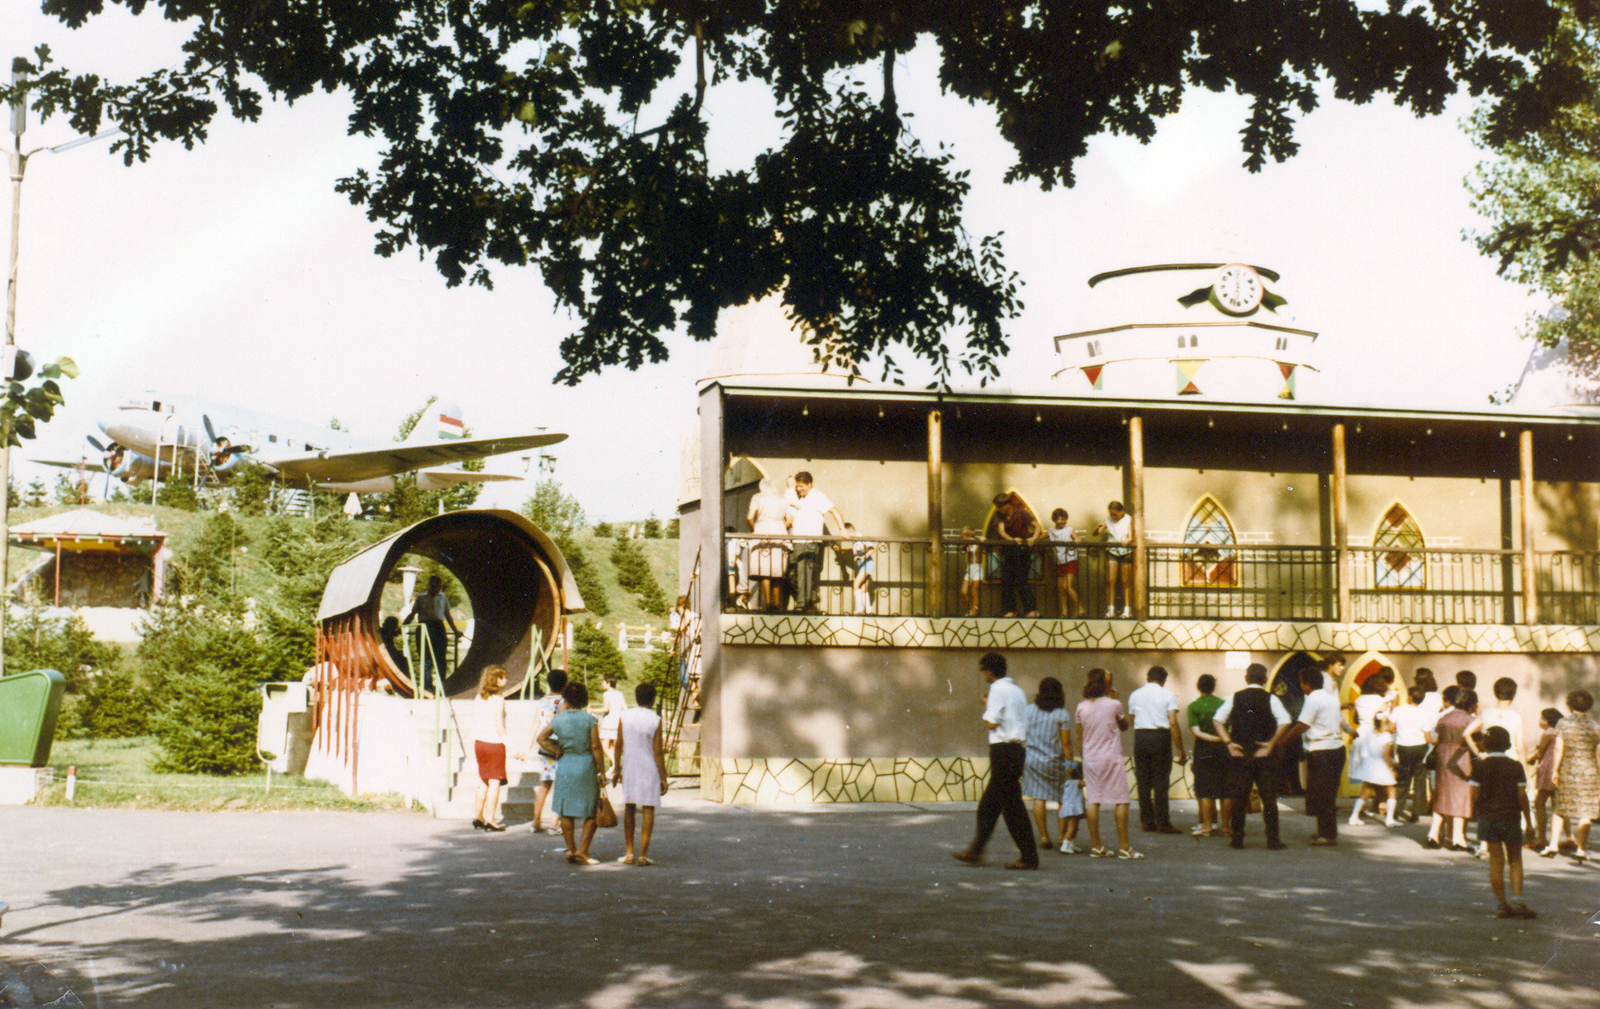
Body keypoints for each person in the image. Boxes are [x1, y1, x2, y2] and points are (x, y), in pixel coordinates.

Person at [952, 652, 1039, 869]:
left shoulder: (997, 689)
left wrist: (987, 705)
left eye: (983, 670)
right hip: (1016, 750)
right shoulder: (1017, 690)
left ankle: (1027, 856)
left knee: (1008, 807)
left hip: (1003, 751)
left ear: (989, 671)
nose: (982, 674)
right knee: (994, 806)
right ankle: (977, 850)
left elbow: (992, 723)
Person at [1214, 663, 1292, 850]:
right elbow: (1286, 721)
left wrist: (1228, 743)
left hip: (1240, 753)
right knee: (1269, 798)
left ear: (1246, 678)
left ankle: (1237, 839)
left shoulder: (1235, 697)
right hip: (1263, 753)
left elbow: (1217, 720)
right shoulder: (1271, 699)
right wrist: (1272, 743)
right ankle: (1273, 840)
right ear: (1265, 680)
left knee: (1239, 798)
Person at [1281, 659, 1352, 846]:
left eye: (1301, 682)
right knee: (1326, 794)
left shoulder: (1313, 699)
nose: (1301, 685)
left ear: (1306, 684)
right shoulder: (1330, 697)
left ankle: (1328, 835)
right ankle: (1325, 831)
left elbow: (1302, 725)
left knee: (1323, 795)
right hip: (1335, 749)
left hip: (1322, 751)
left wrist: (1282, 743)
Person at [537, 680, 608, 865]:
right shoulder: (590, 719)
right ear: (584, 699)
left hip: (566, 764)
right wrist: (602, 771)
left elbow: (541, 738)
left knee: (565, 810)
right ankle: (583, 850)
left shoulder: (558, 719)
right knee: (591, 810)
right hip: (585, 764)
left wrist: (555, 750)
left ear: (566, 699)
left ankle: (571, 849)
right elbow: (596, 747)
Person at [1471, 725, 1537, 919]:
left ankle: (1501, 904)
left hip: (1488, 817)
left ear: (1486, 744)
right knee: (1515, 859)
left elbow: (1474, 794)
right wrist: (1529, 822)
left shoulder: (1480, 766)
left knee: (1496, 859)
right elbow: (1522, 796)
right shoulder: (1515, 766)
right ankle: (1518, 900)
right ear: (1507, 744)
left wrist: (1480, 811)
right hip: (1511, 817)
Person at [1076, 667, 1141, 859]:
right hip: (1111, 757)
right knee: (1121, 799)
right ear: (1107, 684)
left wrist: (1084, 757)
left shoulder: (1081, 707)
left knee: (1093, 799)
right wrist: (1117, 701)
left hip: (1090, 758)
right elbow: (1124, 726)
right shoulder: (1114, 705)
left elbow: (1080, 738)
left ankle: (1096, 846)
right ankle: (1124, 846)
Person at [612, 683, 669, 865]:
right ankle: (643, 855)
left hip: (630, 765)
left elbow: (618, 744)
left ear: (636, 697)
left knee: (629, 807)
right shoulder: (655, 719)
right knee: (648, 808)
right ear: (653, 699)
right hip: (649, 767)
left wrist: (616, 768)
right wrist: (663, 776)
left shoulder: (625, 716)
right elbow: (658, 751)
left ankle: (629, 853)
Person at [1541, 689, 1600, 863]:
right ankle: (1581, 849)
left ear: (1569, 704)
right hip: (1589, 771)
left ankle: (1553, 844)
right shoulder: (1594, 726)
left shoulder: (1563, 724)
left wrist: (1555, 770)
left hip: (1568, 769)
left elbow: (1559, 748)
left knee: (1560, 808)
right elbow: (1598, 753)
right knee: (1586, 811)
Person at [1128, 666, 1186, 834]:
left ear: (1148, 677)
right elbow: (1173, 722)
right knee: (1161, 781)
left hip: (1141, 736)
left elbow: (1133, 719)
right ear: (1164, 680)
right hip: (1160, 737)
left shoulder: (1135, 695)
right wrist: (1180, 749)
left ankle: (1147, 821)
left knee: (1143, 781)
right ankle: (1162, 821)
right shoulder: (1168, 695)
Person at [1022, 676, 1074, 851]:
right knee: (1062, 798)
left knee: (1039, 798)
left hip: (1032, 760)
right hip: (1054, 761)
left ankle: (1044, 836)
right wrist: (1070, 763)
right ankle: (1061, 836)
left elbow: (1023, 734)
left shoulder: (1028, 710)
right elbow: (1066, 743)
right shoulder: (1062, 714)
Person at [1426, 688, 1477, 851]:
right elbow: (1476, 739)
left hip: (1442, 755)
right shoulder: (1469, 720)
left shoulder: (1444, 717)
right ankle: (1457, 837)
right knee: (1461, 795)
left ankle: (1433, 834)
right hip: (1461, 757)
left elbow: (1435, 738)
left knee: (1442, 794)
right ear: (1470, 704)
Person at [786, 471, 844, 614]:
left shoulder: (817, 496)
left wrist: (842, 529)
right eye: (797, 487)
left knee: (806, 572)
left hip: (810, 541)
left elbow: (834, 510)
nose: (798, 489)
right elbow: (791, 520)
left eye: (801, 486)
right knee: (796, 573)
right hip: (799, 541)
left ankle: (803, 605)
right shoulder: (801, 499)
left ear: (809, 484)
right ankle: (807, 603)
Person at [519, 668, 566, 835]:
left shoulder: (542, 701)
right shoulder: (564, 702)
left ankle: (536, 821)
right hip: (561, 745)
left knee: (545, 783)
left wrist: (526, 748)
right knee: (561, 784)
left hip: (546, 745)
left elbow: (534, 726)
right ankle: (554, 822)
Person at [1187, 673, 1228, 838]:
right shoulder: (1223, 704)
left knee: (1204, 788)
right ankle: (1226, 826)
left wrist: (1213, 738)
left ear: (1198, 687)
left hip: (1203, 749)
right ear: (1213, 687)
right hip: (1223, 748)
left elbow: (1196, 732)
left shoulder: (1194, 706)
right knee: (1225, 788)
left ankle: (1207, 825)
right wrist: (1222, 738)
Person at [471, 664, 510, 832]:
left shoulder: (479, 697)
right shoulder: (499, 699)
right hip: (494, 743)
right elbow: (499, 726)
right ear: (496, 680)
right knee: (495, 781)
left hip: (480, 743)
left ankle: (478, 816)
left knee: (483, 779)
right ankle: (490, 819)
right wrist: (512, 746)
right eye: (502, 677)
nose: (505, 680)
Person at [403, 575, 461, 686]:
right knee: (426, 657)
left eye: (439, 586)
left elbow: (447, 614)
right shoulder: (420, 597)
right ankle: (427, 684)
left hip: (438, 628)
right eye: (435, 586)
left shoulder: (442, 597)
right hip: (424, 627)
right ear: (429, 586)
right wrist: (403, 626)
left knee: (440, 656)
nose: (437, 589)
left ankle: (442, 683)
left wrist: (455, 630)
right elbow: (413, 614)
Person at [991, 492, 1041, 618]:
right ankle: (1009, 610)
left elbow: (1037, 526)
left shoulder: (1021, 513)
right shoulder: (1001, 515)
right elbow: (1001, 531)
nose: (998, 509)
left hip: (1022, 550)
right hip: (1009, 550)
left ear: (1007, 505)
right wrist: (1011, 540)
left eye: (1000, 506)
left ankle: (1032, 610)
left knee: (1021, 579)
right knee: (1007, 580)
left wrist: (1033, 539)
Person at [746, 477, 792, 612]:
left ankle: (768, 602)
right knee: (777, 568)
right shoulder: (783, 498)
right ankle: (777, 602)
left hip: (761, 530)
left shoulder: (757, 497)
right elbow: (789, 520)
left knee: (764, 568)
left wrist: (753, 529)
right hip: (779, 531)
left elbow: (749, 517)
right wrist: (780, 526)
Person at [1348, 712, 1400, 827]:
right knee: (1391, 790)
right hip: (1381, 765)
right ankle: (1389, 819)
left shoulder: (1369, 733)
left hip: (1370, 764)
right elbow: (1386, 755)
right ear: (1385, 724)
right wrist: (1391, 768)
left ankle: (1354, 816)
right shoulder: (1386, 736)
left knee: (1366, 791)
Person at [1391, 685, 1433, 824]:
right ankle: (1416, 812)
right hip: (1420, 747)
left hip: (1404, 747)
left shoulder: (1398, 710)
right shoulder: (1424, 713)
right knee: (1419, 780)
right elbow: (1428, 737)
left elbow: (1391, 728)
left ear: (1409, 697)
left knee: (1403, 779)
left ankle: (1397, 810)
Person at [1526, 708, 1562, 851]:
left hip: (1547, 769)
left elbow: (1540, 753)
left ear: (1547, 721)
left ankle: (1542, 837)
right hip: (1557, 769)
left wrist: (1530, 758)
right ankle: (1568, 836)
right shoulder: (1558, 732)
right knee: (1557, 804)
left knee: (1539, 802)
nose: (1539, 721)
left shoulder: (1547, 733)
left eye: (1542, 718)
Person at [1093, 501, 1134, 618]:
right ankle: (1110, 609)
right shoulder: (1108, 519)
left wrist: (1128, 540)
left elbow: (1131, 536)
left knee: (1125, 582)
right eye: (1111, 514)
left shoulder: (1127, 519)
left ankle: (1127, 610)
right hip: (1112, 551)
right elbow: (1095, 533)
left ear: (1122, 512)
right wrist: (1098, 527)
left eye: (1115, 514)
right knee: (1110, 581)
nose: (1113, 517)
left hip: (1125, 552)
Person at [1047, 508, 1081, 618]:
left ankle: (1080, 608)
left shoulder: (1069, 530)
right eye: (1060, 519)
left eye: (1064, 519)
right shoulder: (1051, 531)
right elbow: (1039, 538)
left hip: (1070, 559)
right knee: (1061, 589)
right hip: (1059, 561)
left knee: (1067, 586)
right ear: (1055, 520)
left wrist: (1076, 541)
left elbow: (1078, 539)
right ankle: (1064, 612)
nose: (1062, 522)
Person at [845, 522, 875, 615]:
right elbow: (857, 550)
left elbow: (872, 549)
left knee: (856, 585)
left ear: (852, 531)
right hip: (863, 565)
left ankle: (860, 609)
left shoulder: (860, 538)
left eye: (847, 534)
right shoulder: (855, 541)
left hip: (867, 564)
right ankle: (868, 610)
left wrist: (862, 557)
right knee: (863, 588)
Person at [599, 676, 627, 765]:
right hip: (617, 722)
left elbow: (606, 709)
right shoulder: (619, 693)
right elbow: (625, 708)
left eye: (603, 682)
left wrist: (592, 710)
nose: (602, 684)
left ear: (608, 683)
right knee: (613, 747)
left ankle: (616, 765)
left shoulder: (606, 694)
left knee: (605, 746)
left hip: (608, 722)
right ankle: (614, 769)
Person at [959, 527, 983, 617]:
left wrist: (982, 540)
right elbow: (962, 548)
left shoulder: (977, 544)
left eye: (962, 537)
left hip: (977, 568)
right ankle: (972, 608)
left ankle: (974, 611)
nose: (961, 539)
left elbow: (983, 543)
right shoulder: (966, 545)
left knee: (974, 590)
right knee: (963, 592)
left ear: (967, 536)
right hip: (969, 569)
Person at [725, 526, 750, 610]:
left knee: (730, 583)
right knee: (733, 582)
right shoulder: (736, 540)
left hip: (728, 563)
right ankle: (733, 601)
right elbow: (744, 543)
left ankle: (732, 600)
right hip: (732, 563)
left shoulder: (726, 540)